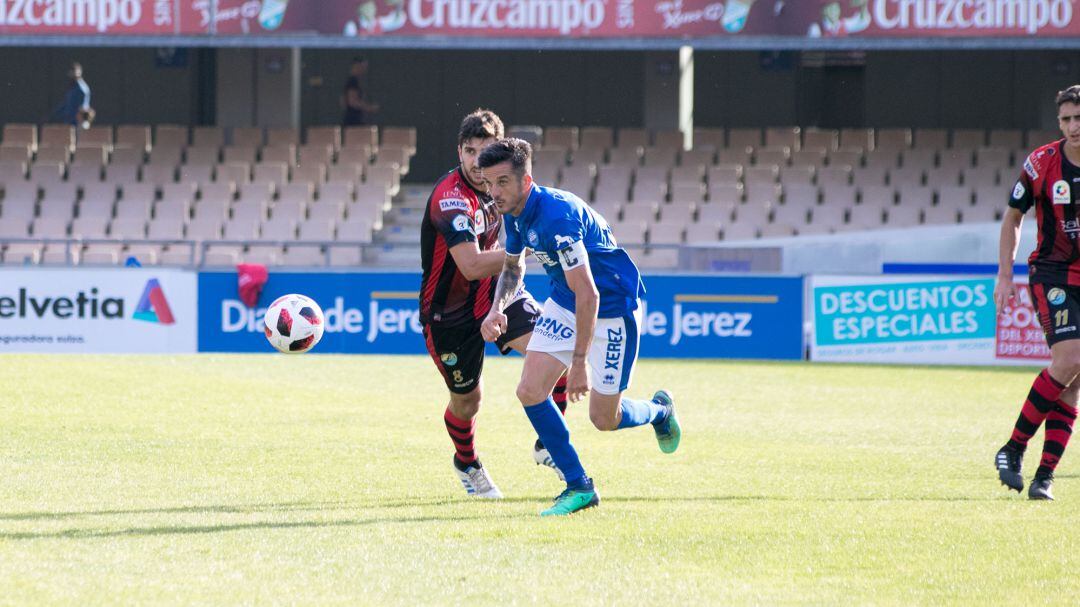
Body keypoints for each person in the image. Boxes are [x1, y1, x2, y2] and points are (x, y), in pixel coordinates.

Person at [478, 138, 682, 516]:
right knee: (529, 390)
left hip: (611, 306)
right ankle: (578, 485)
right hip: (564, 300)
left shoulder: (558, 217)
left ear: (527, 180)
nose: (494, 193)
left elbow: (590, 293)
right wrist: (496, 310)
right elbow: (513, 266)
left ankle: (659, 411)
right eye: (489, 183)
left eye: (502, 182)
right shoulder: (513, 212)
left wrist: (578, 362)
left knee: (605, 418)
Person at [420, 111, 569, 499]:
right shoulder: (450, 198)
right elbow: (469, 265)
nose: (475, 160)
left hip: (497, 294)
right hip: (448, 315)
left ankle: (548, 444)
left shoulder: (498, 187)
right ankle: (467, 464)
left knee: (557, 352)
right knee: (468, 401)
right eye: (469, 151)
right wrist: (530, 247)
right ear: (459, 150)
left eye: (484, 152)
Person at [994, 84, 1080, 501]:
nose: (1073, 127)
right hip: (1054, 273)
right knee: (1070, 358)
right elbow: (1013, 217)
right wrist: (1005, 275)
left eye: (1079, 118)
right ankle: (1013, 448)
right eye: (1066, 119)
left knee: (1074, 380)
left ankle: (1044, 477)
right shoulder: (1041, 163)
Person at [50, 62, 93, 128]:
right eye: (72, 71)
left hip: (79, 124)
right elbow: (66, 104)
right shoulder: (72, 88)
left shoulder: (82, 89)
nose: (73, 74)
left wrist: (82, 121)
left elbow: (83, 108)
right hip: (69, 122)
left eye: (75, 71)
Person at [341, 57, 379, 127]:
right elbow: (352, 102)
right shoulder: (352, 81)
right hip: (352, 121)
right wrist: (369, 108)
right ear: (357, 66)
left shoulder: (352, 81)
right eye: (363, 67)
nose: (364, 70)